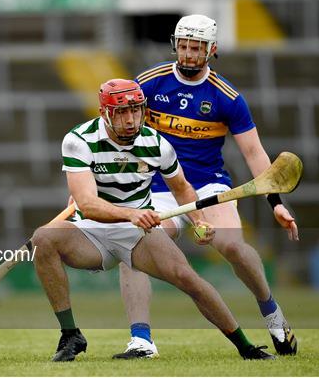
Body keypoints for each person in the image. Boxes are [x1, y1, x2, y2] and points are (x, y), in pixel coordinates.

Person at [30, 78, 274, 362]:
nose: (131, 119)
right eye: (121, 112)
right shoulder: (79, 140)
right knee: (43, 238)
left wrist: (199, 220)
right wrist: (132, 213)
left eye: (136, 110)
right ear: (104, 113)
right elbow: (87, 204)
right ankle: (70, 334)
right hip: (91, 232)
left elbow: (182, 188)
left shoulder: (157, 144)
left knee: (188, 278)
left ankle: (246, 347)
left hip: (137, 235)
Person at [113, 14, 299, 359]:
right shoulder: (150, 83)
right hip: (158, 186)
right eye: (182, 46)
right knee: (135, 248)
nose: (187, 54)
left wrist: (275, 202)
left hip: (208, 186)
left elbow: (254, 152)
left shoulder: (227, 97)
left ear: (211, 50)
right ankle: (141, 340)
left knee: (232, 246)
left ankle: (272, 313)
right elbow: (117, 124)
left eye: (195, 48)